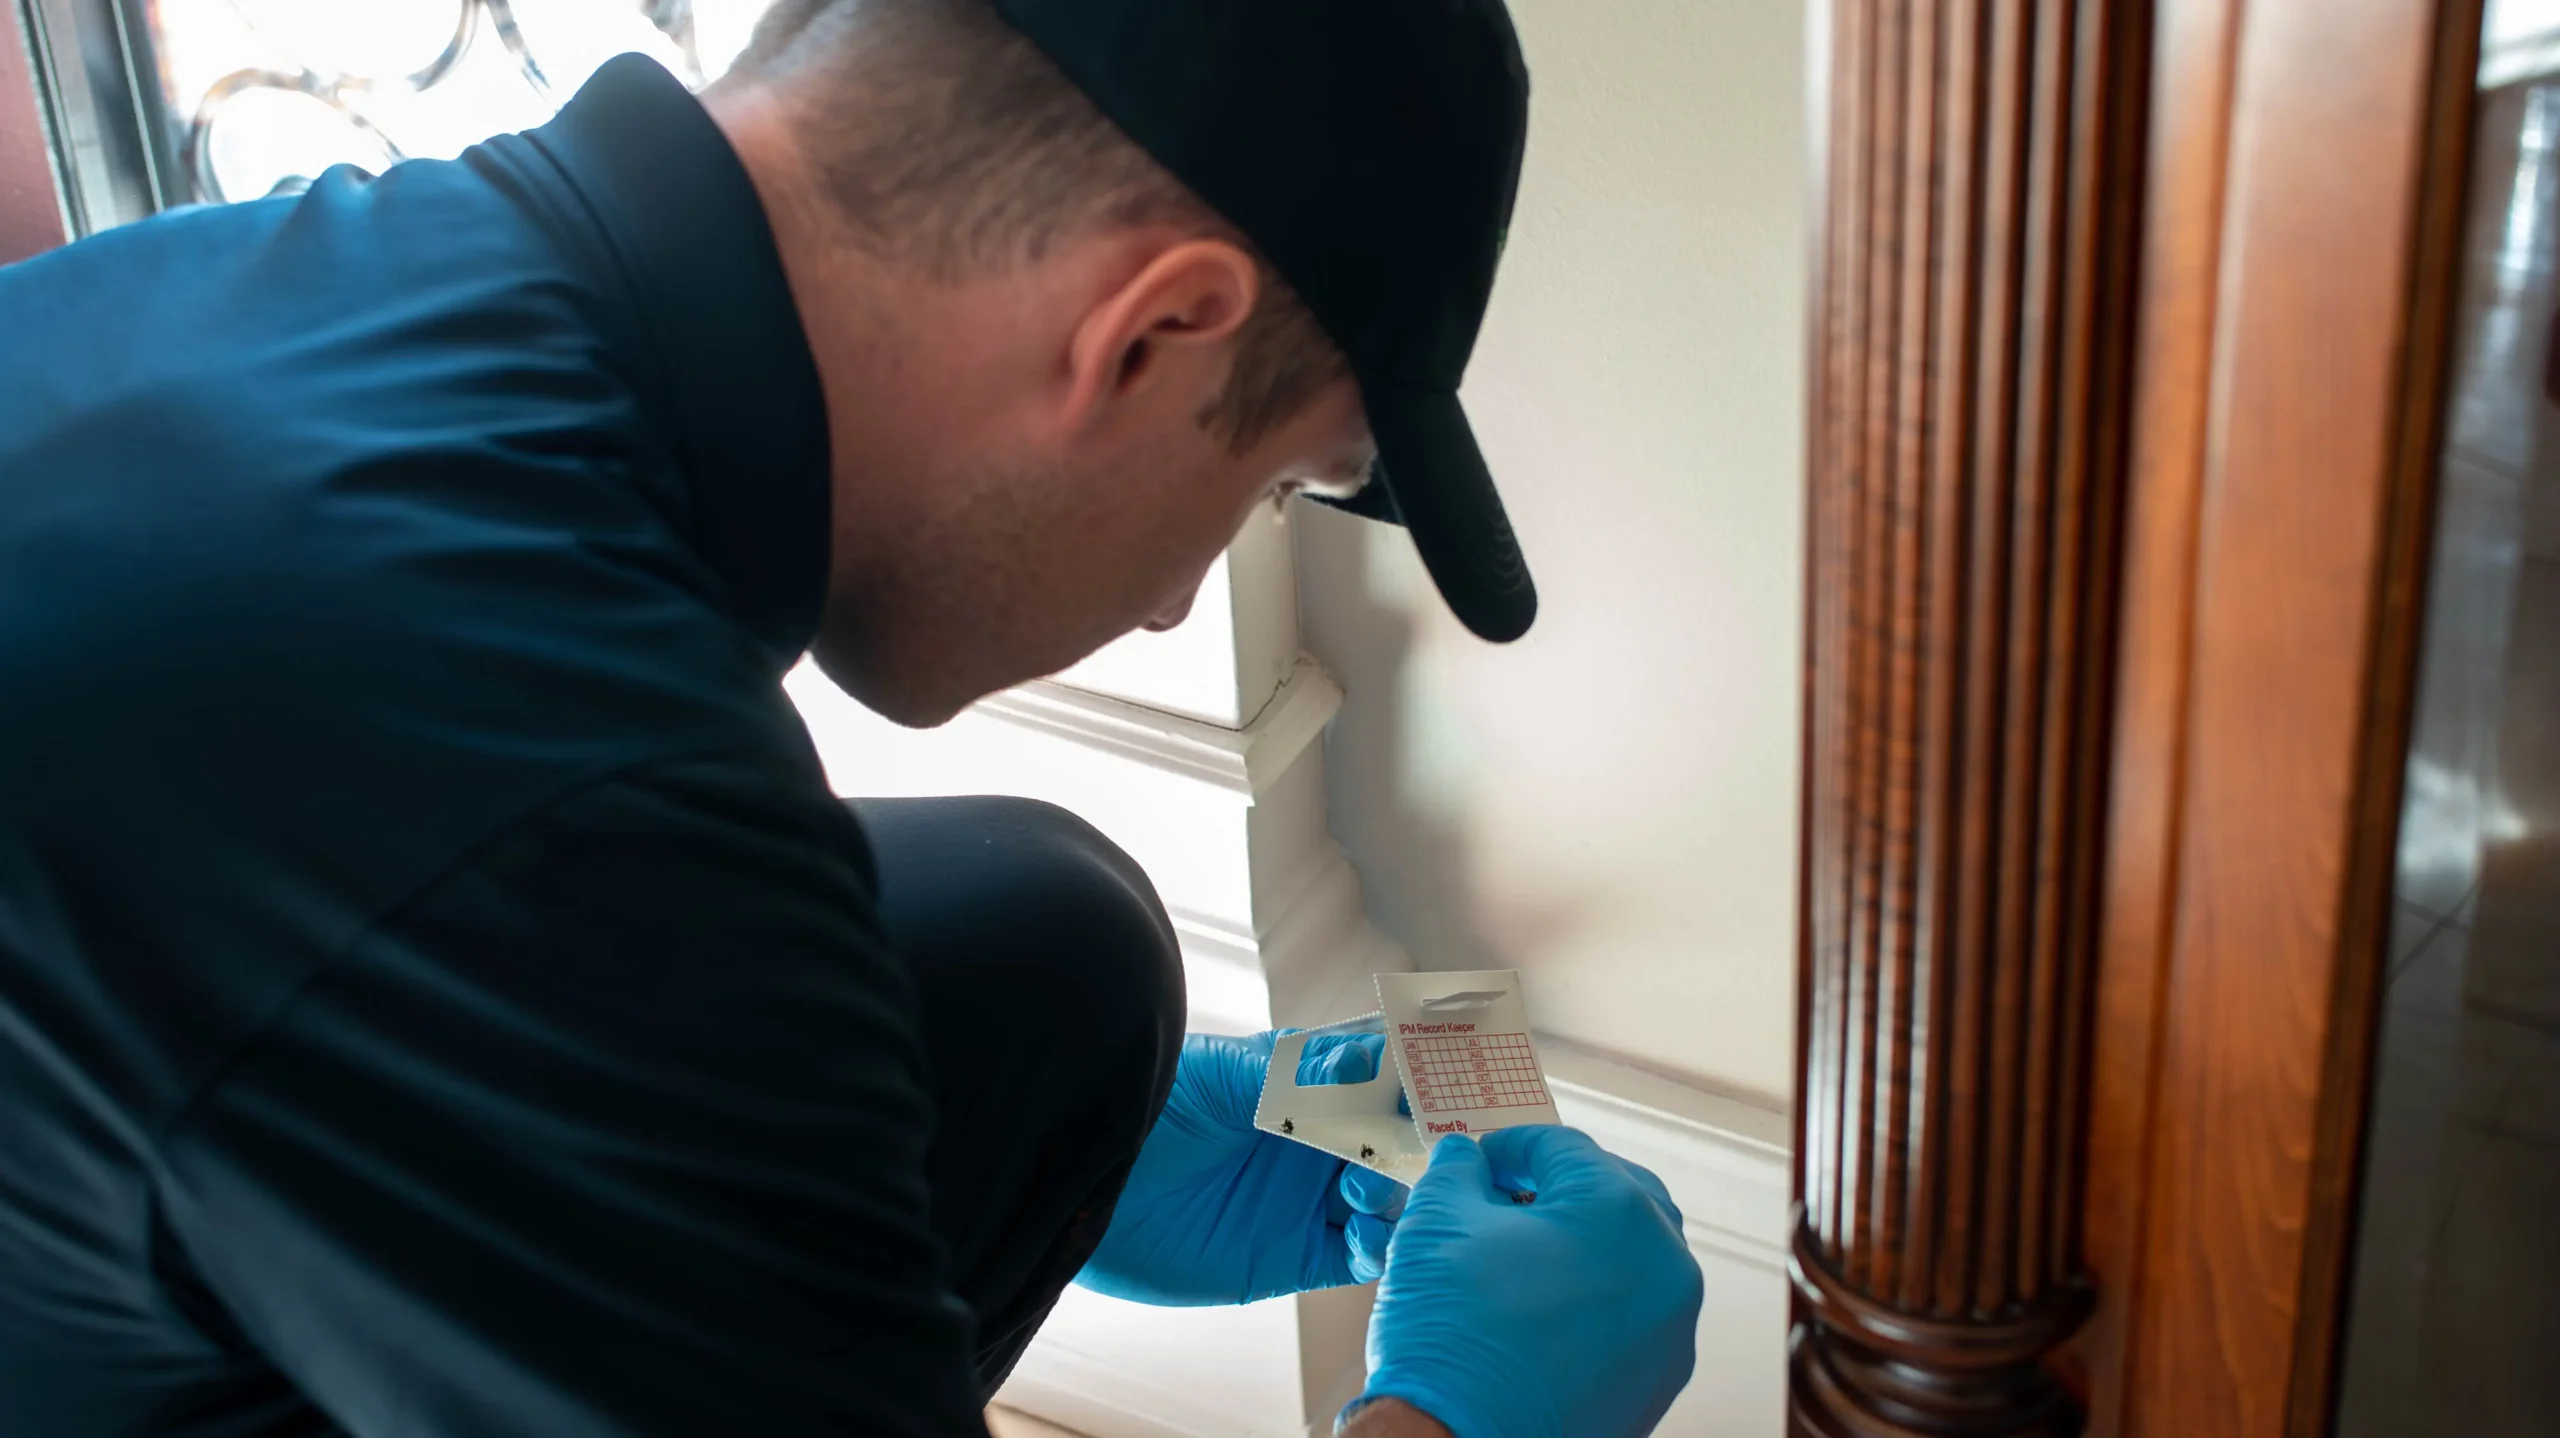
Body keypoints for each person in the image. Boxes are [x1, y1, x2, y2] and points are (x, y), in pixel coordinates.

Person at [0, 0, 1706, 1434]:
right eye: (1266, 484)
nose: (1177, 596)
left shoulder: (347, 284)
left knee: (1047, 951)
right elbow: (529, 890)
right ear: (1151, 333)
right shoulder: (546, 813)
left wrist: (983, 1169)